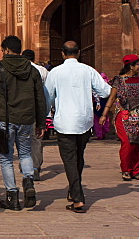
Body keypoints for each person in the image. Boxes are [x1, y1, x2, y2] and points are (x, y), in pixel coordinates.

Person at [43, 40, 111, 213]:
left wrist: (44, 117)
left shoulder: (56, 72)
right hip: (84, 120)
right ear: (79, 53)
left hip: (64, 121)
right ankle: (74, 191)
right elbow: (105, 91)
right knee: (78, 157)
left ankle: (78, 197)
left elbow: (47, 97)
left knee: (70, 160)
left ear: (62, 54)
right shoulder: (88, 70)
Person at [0, 35, 46, 211]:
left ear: (7, 50)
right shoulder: (33, 70)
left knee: (6, 158)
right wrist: (41, 122)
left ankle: (12, 196)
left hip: (5, 120)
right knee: (25, 154)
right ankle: (28, 180)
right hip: (26, 119)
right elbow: (40, 98)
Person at [100, 55, 139, 181]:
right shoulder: (118, 80)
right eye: (138, 64)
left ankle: (135, 170)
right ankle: (126, 169)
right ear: (131, 66)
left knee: (138, 144)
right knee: (127, 143)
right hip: (124, 115)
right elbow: (111, 98)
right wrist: (104, 114)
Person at [22, 49, 49, 180]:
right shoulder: (43, 70)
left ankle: (25, 165)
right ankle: (35, 167)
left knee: (23, 138)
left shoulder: (18, 69)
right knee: (37, 138)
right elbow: (47, 91)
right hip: (37, 107)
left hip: (21, 108)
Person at [92, 71, 111, 139]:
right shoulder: (106, 81)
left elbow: (95, 92)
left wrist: (97, 102)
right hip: (105, 101)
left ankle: (99, 134)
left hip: (98, 101)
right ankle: (104, 132)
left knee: (97, 118)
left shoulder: (97, 81)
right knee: (104, 116)